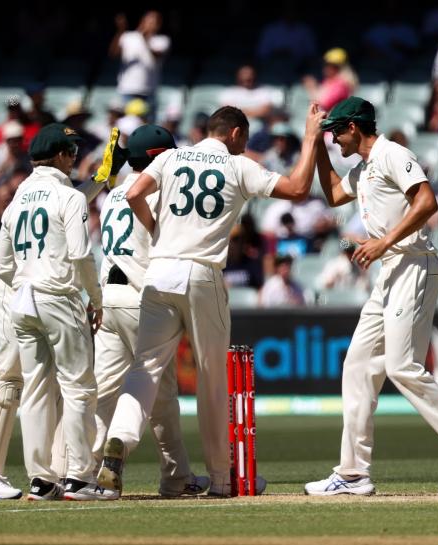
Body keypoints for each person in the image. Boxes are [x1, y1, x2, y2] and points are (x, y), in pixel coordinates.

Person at [96, 104, 325, 497]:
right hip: (201, 273)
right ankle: (221, 478)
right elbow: (298, 189)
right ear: (235, 133)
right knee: (211, 379)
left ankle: (118, 441)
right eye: (245, 138)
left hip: (159, 272)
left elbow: (133, 192)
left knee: (145, 368)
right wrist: (309, 138)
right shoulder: (238, 165)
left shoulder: (170, 156)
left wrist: (158, 235)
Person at [304, 97, 438, 496]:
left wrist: (383, 242)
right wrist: (317, 147)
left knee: (401, 366)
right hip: (391, 272)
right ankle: (353, 473)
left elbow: (427, 201)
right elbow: (334, 195)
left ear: (355, 128)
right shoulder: (364, 167)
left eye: (336, 132)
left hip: (414, 264)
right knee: (357, 365)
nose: (335, 139)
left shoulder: (392, 153)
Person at [0, 128, 126, 500]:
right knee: (79, 388)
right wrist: (97, 298)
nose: (74, 158)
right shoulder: (68, 198)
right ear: (57, 156)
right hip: (59, 296)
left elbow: (3, 265)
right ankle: (79, 477)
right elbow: (80, 254)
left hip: (22, 299)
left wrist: (29, 279)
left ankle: (41, 479)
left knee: (37, 390)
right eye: (70, 152)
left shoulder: (18, 199)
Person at [94, 124, 209, 497]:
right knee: (161, 396)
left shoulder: (111, 194)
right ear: (160, 157)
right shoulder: (158, 190)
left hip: (107, 298)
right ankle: (176, 479)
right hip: (141, 300)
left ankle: (86, 474)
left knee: (104, 394)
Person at [108, 11, 170, 117]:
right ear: (142, 21)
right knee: (126, 125)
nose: (151, 24)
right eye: (149, 21)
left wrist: (145, 38)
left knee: (147, 127)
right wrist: (120, 30)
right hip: (127, 89)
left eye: (154, 22)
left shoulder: (162, 40)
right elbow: (113, 54)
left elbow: (157, 55)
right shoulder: (128, 37)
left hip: (149, 91)